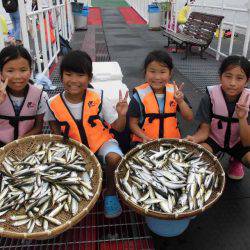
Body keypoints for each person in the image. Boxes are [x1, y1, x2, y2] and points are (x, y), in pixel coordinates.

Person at [45, 50, 129, 219]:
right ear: (61, 77)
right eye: (68, 74)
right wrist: (62, 143)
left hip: (101, 142)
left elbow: (118, 128)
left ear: (89, 78)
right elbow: (52, 123)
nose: (74, 80)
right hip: (74, 147)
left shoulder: (98, 97)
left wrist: (121, 114)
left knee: (115, 158)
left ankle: (110, 192)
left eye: (80, 75)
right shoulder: (52, 103)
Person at [186, 55, 250, 180]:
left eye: (239, 78)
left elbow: (247, 142)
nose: (232, 83)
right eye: (228, 76)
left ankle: (236, 160)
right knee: (194, 156)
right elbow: (204, 131)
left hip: (238, 142)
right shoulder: (209, 97)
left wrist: (242, 118)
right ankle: (217, 154)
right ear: (220, 77)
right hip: (215, 139)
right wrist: (194, 139)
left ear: (247, 80)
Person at [128, 50, 193, 146]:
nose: (157, 77)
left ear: (170, 74)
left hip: (171, 144)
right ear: (145, 72)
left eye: (163, 72)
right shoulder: (138, 96)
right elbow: (132, 124)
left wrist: (180, 101)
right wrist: (144, 137)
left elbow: (189, 117)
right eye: (152, 71)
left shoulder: (176, 93)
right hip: (144, 143)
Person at [0, 45, 48, 147]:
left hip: (26, 145)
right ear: (1, 74)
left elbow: (38, 127)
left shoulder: (41, 96)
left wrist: (21, 141)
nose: (17, 76)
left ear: (30, 72)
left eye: (23, 70)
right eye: (10, 71)